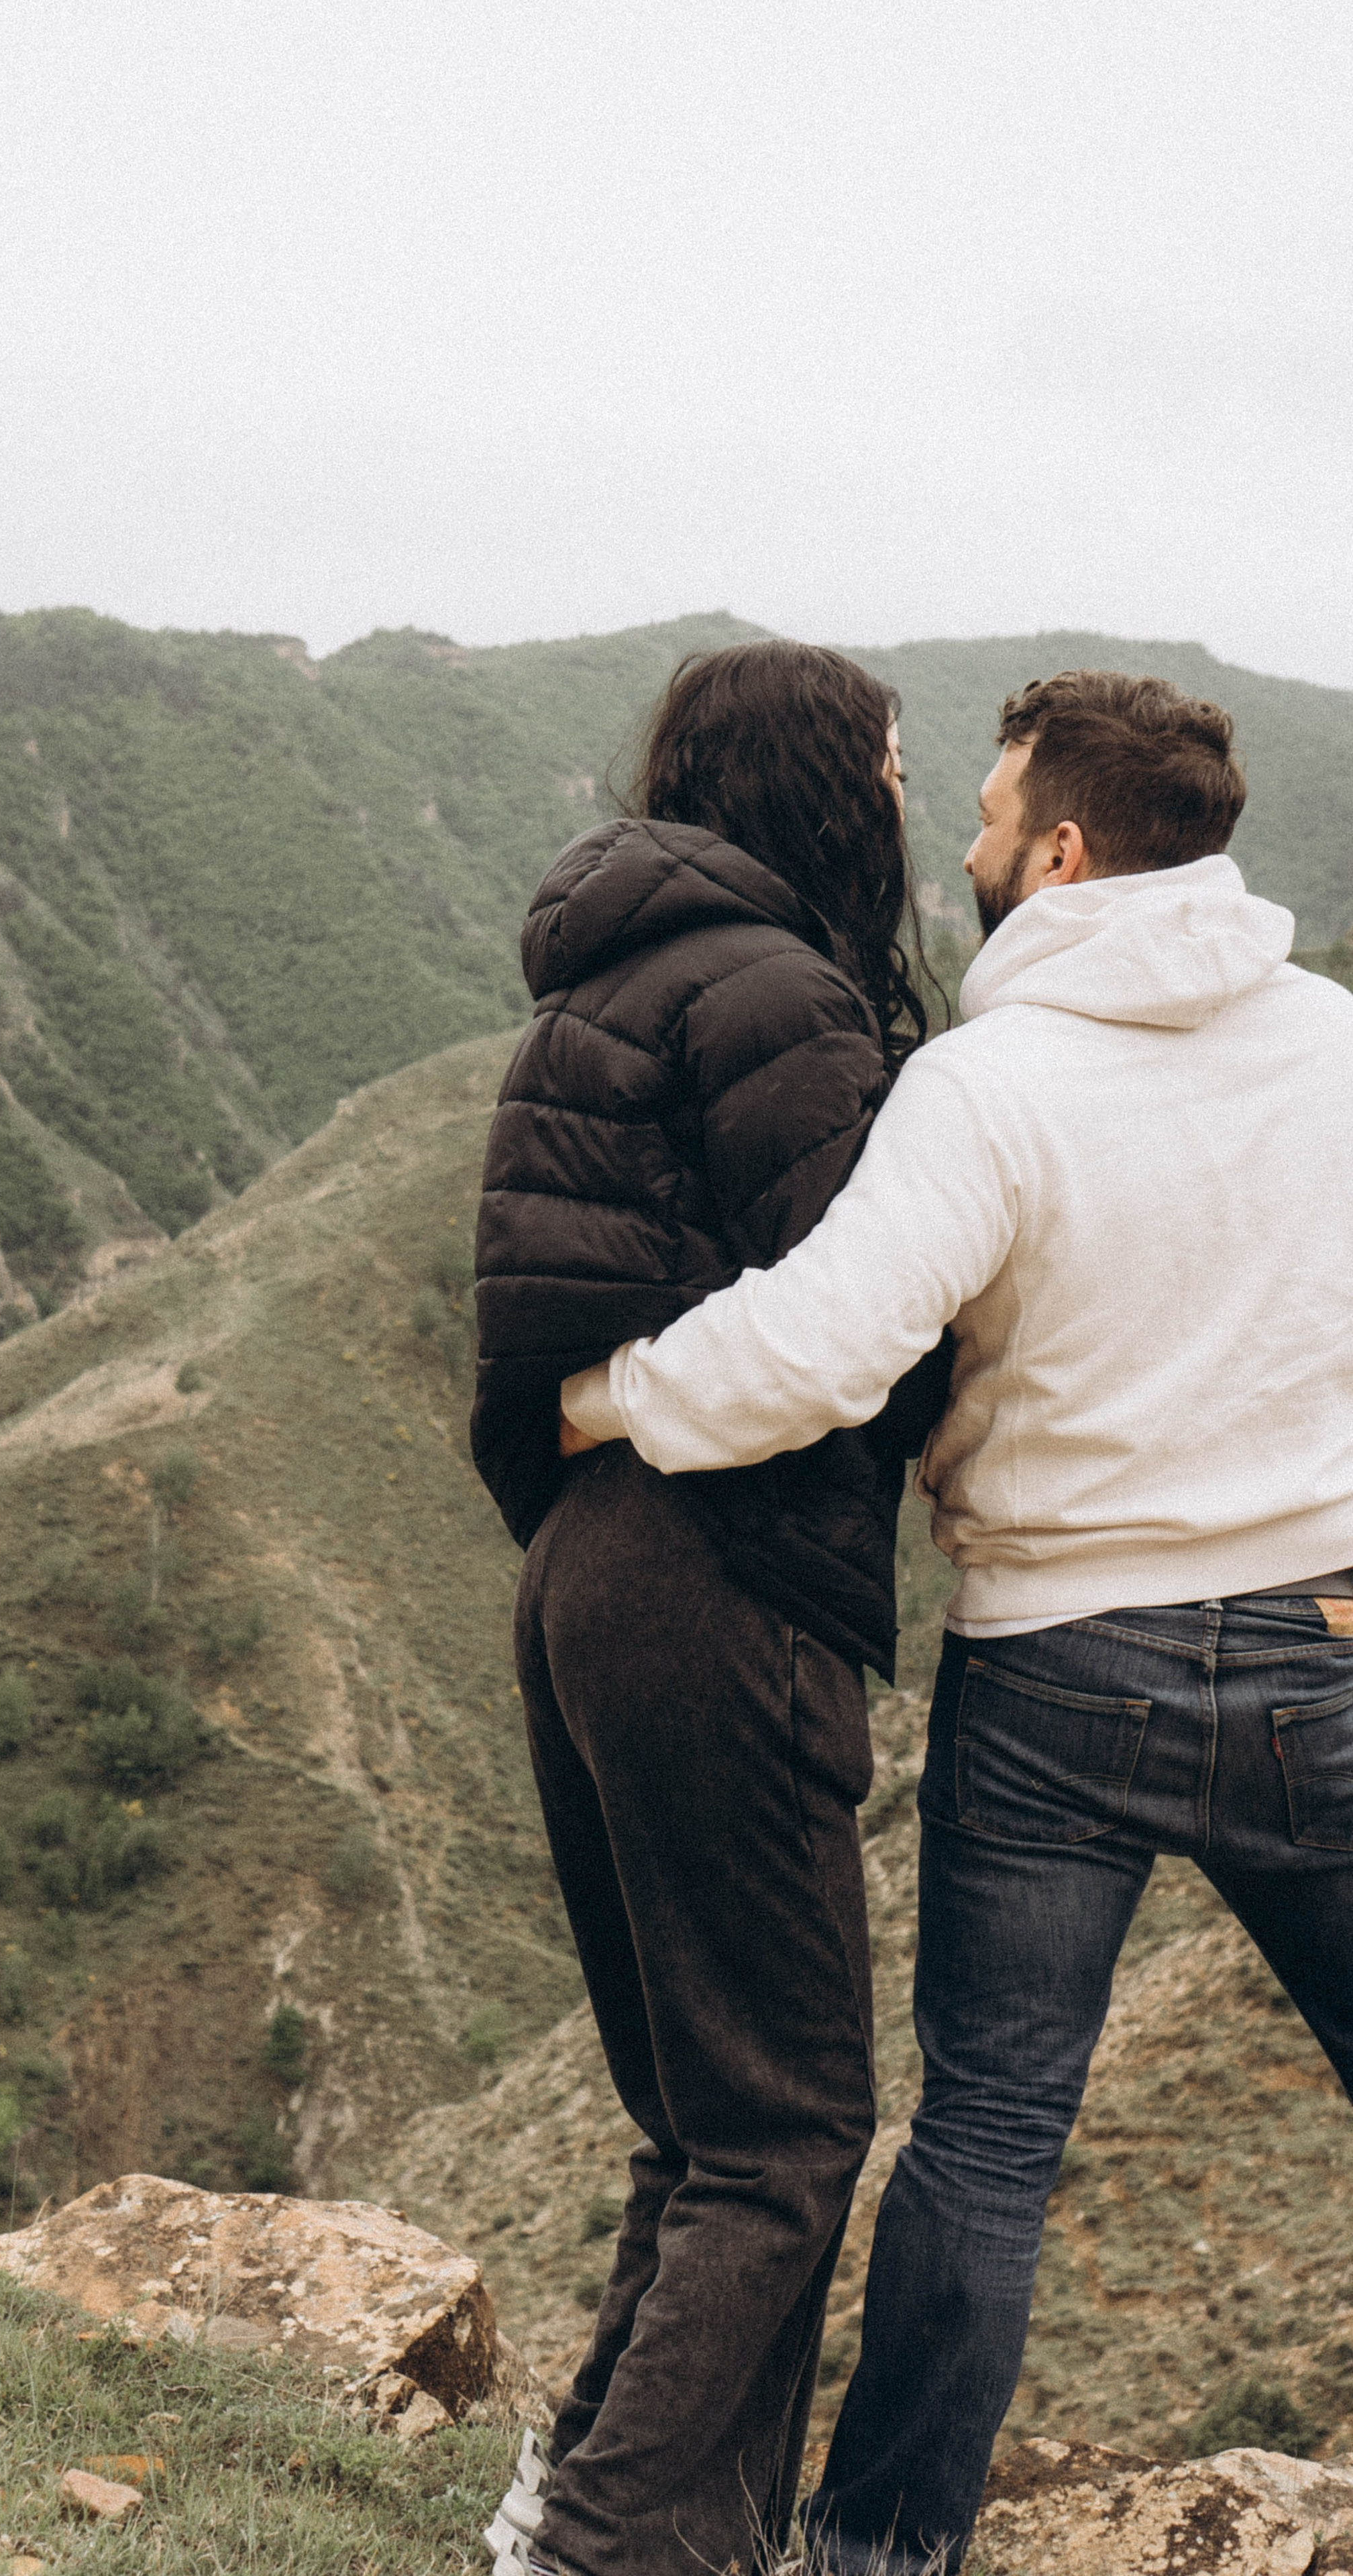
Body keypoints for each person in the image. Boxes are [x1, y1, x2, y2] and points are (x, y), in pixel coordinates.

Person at [559, 668, 1353, 2575]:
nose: (970, 849)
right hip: (1325, 1643)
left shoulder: (987, 1087)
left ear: (1060, 855)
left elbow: (816, 1354)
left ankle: (878, 2553)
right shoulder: (1333, 1039)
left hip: (1065, 1663)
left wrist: (603, 1395)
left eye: (992, 821)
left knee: (988, 2143)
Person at [472, 639, 949, 2576]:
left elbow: (538, 1333)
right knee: (787, 2132)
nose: (913, 795)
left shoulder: (614, 981)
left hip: (587, 1559)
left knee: (706, 2122)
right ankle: (605, 2546)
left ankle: (622, 2518)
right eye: (897, 761)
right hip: (722, 1573)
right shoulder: (780, 996)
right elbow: (873, 1325)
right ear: (837, 785)